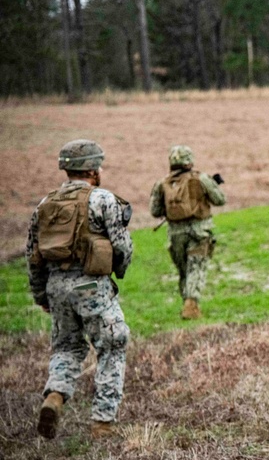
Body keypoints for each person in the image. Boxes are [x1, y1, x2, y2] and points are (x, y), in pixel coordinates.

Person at [27, 139, 133, 440]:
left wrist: (41, 295)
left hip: (56, 287)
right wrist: (119, 272)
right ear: (92, 169)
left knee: (67, 347)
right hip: (91, 284)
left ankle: (56, 395)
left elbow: (31, 255)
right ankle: (103, 422)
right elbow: (122, 246)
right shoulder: (102, 200)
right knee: (112, 344)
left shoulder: (45, 204)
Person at [150, 145, 226, 319]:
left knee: (184, 271)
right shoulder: (202, 179)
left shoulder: (162, 184)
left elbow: (155, 211)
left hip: (175, 234)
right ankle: (191, 306)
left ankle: (187, 304)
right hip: (200, 231)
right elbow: (220, 200)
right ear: (190, 161)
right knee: (196, 267)